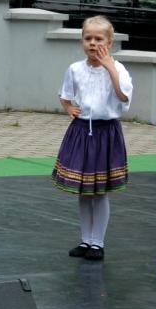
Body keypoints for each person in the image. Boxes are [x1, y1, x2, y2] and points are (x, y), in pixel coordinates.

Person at [52, 16, 132, 261]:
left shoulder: (118, 69)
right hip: (81, 132)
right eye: (88, 38)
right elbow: (65, 94)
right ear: (82, 41)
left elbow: (124, 96)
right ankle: (86, 239)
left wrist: (109, 67)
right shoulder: (75, 69)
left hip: (106, 133)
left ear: (110, 42)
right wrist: (68, 108)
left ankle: (98, 242)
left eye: (99, 39)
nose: (93, 43)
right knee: (84, 191)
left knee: (100, 192)